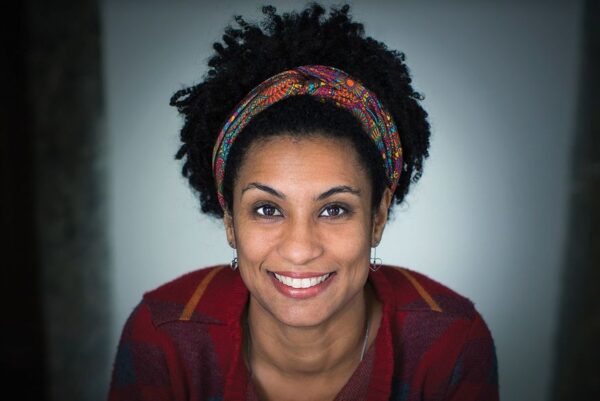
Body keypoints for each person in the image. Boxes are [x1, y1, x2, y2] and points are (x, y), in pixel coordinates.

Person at [108, 4, 498, 401]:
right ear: (229, 221)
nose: (299, 249)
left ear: (377, 217)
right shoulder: (165, 336)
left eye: (334, 209)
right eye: (267, 209)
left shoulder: (449, 342)